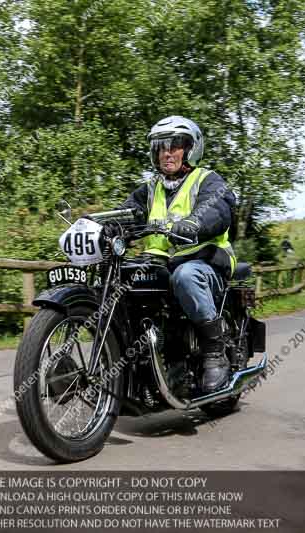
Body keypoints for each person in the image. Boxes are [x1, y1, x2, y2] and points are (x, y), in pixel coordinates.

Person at [120, 116, 237, 392]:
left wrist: (196, 223)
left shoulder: (207, 180)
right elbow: (126, 213)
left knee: (186, 276)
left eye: (174, 146)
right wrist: (101, 225)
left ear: (190, 150)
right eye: (161, 147)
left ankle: (214, 351)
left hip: (205, 262)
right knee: (122, 278)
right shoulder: (150, 189)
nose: (166, 153)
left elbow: (218, 207)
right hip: (162, 264)